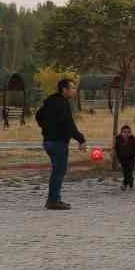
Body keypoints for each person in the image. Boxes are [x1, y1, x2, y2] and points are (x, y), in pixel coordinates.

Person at [35, 78, 86, 210]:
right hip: (58, 142)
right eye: (73, 88)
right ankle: (53, 201)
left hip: (48, 142)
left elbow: (38, 115)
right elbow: (68, 124)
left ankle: (53, 199)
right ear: (64, 90)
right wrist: (80, 139)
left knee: (56, 171)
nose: (75, 91)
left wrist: (46, 128)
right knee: (59, 171)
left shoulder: (49, 102)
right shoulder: (63, 103)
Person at [114, 124, 135, 191]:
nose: (126, 134)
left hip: (131, 158)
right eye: (124, 132)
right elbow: (114, 148)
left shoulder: (134, 139)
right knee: (125, 172)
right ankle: (130, 182)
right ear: (121, 133)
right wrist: (114, 155)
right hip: (121, 158)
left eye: (128, 132)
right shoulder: (117, 139)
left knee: (129, 171)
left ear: (130, 133)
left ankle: (124, 185)